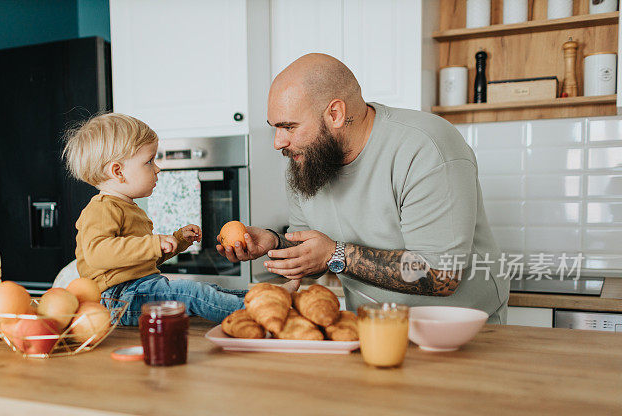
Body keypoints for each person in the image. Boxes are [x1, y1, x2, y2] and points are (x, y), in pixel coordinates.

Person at [216, 53, 510, 323]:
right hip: (370, 329)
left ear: (335, 114)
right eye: (274, 127)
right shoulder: (308, 160)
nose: (277, 142)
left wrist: (335, 254)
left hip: (461, 334)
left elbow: (441, 274)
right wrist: (276, 243)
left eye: (289, 127)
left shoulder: (425, 146)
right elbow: (315, 255)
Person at [63, 113, 269, 326]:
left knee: (209, 290)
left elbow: (140, 259)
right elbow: (98, 254)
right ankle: (260, 312)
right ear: (118, 171)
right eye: (149, 161)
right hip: (118, 298)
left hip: (138, 289)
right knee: (192, 293)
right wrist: (153, 243)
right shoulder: (101, 209)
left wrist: (177, 241)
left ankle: (269, 299)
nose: (157, 168)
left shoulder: (129, 208)